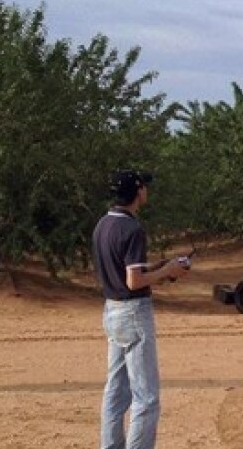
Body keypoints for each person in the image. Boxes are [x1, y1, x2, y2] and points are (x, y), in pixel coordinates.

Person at [92, 169, 190, 449]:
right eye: (144, 186)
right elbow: (134, 281)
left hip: (111, 310)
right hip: (134, 312)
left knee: (115, 390)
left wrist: (158, 268)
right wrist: (168, 270)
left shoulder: (103, 224)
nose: (147, 190)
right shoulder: (132, 228)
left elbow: (125, 270)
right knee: (146, 397)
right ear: (137, 191)